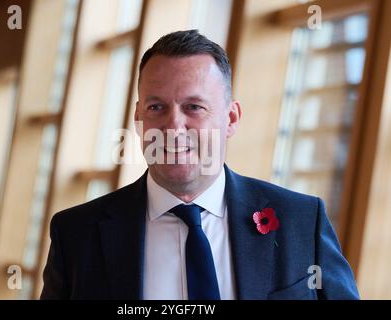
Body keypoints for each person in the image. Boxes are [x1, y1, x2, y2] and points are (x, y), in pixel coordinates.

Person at [40, 30, 359, 300]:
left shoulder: (301, 222)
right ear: (139, 118)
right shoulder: (76, 235)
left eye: (193, 107)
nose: (173, 128)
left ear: (231, 119)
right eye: (156, 107)